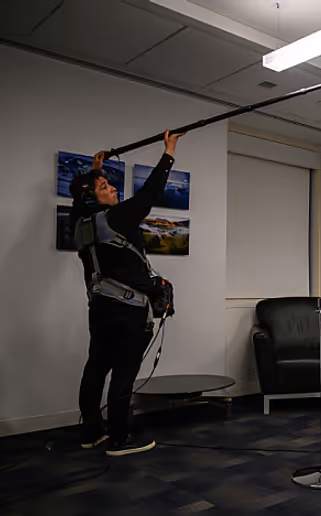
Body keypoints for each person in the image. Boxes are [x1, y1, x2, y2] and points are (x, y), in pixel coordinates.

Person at [70, 130, 184, 456]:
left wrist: (95, 171)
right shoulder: (117, 217)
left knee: (96, 370)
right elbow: (150, 192)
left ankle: (92, 433)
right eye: (104, 186)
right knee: (123, 374)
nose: (112, 188)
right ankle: (120, 438)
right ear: (93, 197)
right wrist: (169, 152)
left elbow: (83, 199)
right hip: (128, 312)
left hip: (100, 310)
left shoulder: (79, 223)